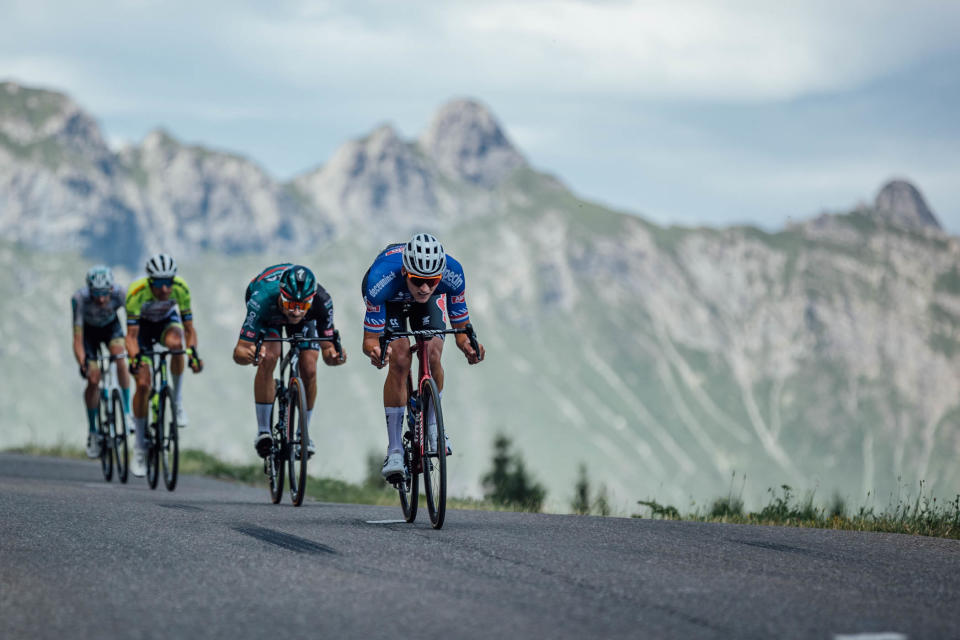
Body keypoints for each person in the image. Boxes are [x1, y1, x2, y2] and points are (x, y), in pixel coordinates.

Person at [360, 233, 485, 480]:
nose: (425, 287)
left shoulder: (453, 273)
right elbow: (370, 341)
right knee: (400, 359)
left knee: (434, 351)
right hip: (390, 299)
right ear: (407, 272)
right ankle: (395, 450)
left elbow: (461, 332)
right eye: (418, 280)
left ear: (441, 275)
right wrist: (376, 353)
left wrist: (469, 347)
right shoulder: (380, 279)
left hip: (426, 306)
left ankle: (432, 425)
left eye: (432, 281)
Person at [232, 264, 347, 458]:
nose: (295, 312)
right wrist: (250, 354)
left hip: (303, 322)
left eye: (302, 306)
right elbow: (239, 353)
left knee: (309, 368)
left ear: (310, 300)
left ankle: (304, 433)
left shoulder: (322, 301)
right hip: (269, 314)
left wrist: (336, 357)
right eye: (290, 304)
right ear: (281, 295)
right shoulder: (260, 299)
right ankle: (263, 432)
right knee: (269, 356)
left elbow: (328, 350)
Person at [125, 253, 203, 476]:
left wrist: (193, 353)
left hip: (166, 325)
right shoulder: (136, 292)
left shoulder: (181, 288)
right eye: (159, 283)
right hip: (141, 331)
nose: (165, 289)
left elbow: (189, 329)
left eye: (168, 282)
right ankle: (140, 446)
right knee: (142, 384)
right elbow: (130, 336)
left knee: (178, 345)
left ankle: (176, 402)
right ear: (150, 281)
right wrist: (135, 359)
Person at [72, 265, 132, 459]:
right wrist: (83, 362)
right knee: (94, 379)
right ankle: (93, 431)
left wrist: (134, 350)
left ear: (111, 289)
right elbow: (77, 338)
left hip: (111, 328)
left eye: (104, 294)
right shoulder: (79, 299)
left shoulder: (121, 293)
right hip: (89, 334)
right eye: (96, 294)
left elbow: (132, 326)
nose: (100, 299)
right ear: (90, 290)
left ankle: (127, 412)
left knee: (121, 358)